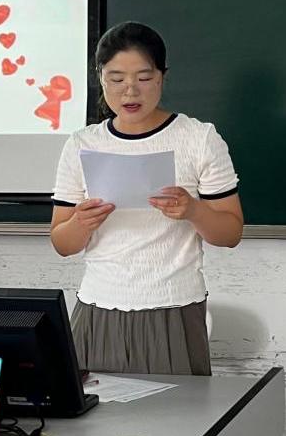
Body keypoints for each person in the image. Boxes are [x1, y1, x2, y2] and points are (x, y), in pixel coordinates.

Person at [50, 21, 243, 376]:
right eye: (116, 78)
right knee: (92, 409)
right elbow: (62, 243)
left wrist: (194, 210)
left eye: (143, 77)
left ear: (162, 77)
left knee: (177, 410)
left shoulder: (198, 138)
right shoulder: (82, 144)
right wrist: (81, 223)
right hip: (98, 306)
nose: (130, 90)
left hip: (173, 306)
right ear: (100, 78)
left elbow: (230, 233)